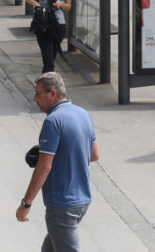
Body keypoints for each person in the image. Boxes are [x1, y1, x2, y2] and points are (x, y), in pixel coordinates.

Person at [17, 72, 100, 252]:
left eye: (38, 93)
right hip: (82, 199)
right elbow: (94, 155)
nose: (34, 98)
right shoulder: (83, 114)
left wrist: (26, 204)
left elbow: (44, 167)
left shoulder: (53, 121)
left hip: (63, 204)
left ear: (52, 94)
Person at [20, 0, 72, 73]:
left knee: (51, 60)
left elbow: (68, 6)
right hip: (43, 25)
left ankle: (44, 86)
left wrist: (60, 4)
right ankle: (47, 87)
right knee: (48, 62)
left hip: (59, 25)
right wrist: (37, 5)